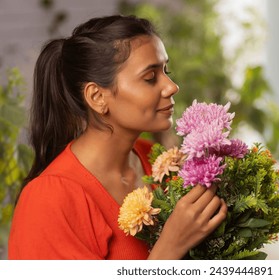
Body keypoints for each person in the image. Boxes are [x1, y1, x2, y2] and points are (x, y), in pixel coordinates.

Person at [8, 15, 227, 260]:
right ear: (97, 97)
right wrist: (170, 247)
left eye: (166, 70)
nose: (171, 86)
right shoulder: (48, 200)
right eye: (150, 78)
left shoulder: (162, 163)